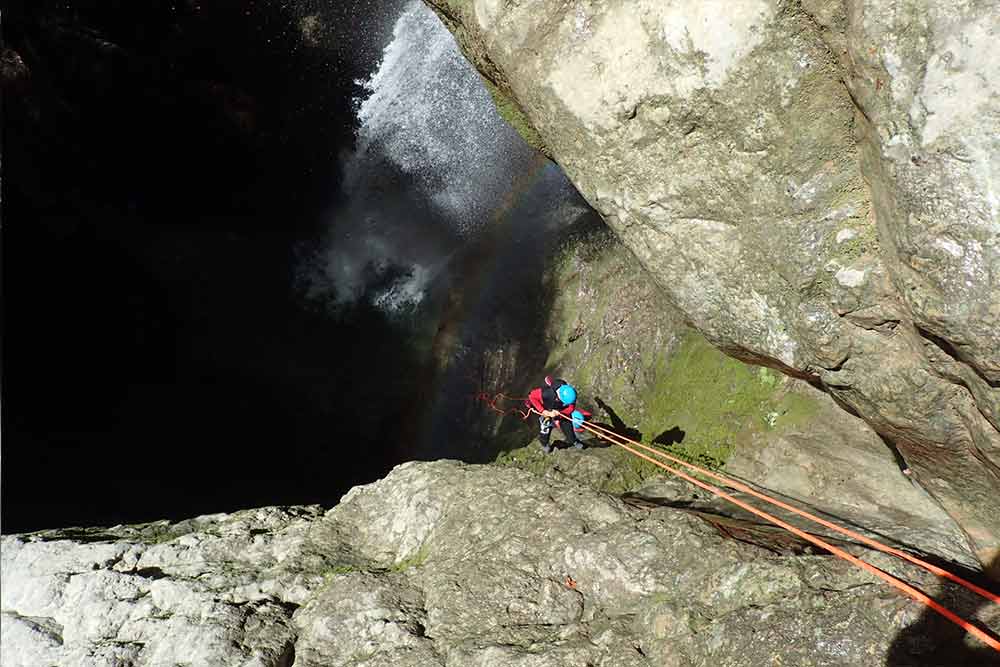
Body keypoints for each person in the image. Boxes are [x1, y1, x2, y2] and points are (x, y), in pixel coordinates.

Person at [526, 376, 585, 453]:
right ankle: (544, 444)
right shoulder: (546, 393)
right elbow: (531, 396)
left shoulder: (571, 395)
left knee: (568, 427)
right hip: (547, 408)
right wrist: (543, 411)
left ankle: (573, 440)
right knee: (546, 426)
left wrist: (560, 413)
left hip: (561, 411)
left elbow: (571, 408)